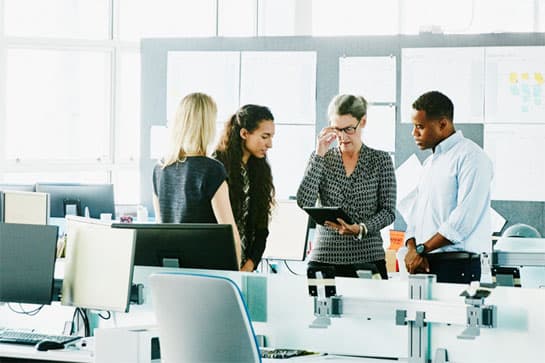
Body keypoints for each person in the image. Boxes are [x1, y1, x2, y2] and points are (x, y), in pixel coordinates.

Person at [297, 94, 396, 279]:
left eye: (349, 129)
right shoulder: (322, 158)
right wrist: (319, 154)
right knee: (321, 308)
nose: (342, 136)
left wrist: (361, 228)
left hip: (368, 257)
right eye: (336, 129)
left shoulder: (381, 161)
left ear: (363, 122)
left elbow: (388, 211)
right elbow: (304, 201)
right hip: (324, 258)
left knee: (371, 309)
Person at [403, 90, 493, 284]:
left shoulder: (472, 157)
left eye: (420, 127)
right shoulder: (429, 164)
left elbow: (463, 220)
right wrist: (412, 250)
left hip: (458, 265)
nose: (414, 133)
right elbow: (415, 216)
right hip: (425, 263)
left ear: (443, 124)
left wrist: (421, 249)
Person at [152, 92, 242, 266]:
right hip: (207, 271)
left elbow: (160, 226)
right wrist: (237, 275)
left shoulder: (160, 169)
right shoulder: (212, 169)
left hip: (172, 270)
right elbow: (230, 234)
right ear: (206, 126)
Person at [214, 104, 275, 272]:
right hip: (219, 264)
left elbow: (262, 229)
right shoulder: (217, 166)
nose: (270, 144)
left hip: (246, 266)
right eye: (265, 136)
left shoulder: (261, 171)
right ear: (244, 133)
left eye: (271, 137)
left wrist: (249, 265)